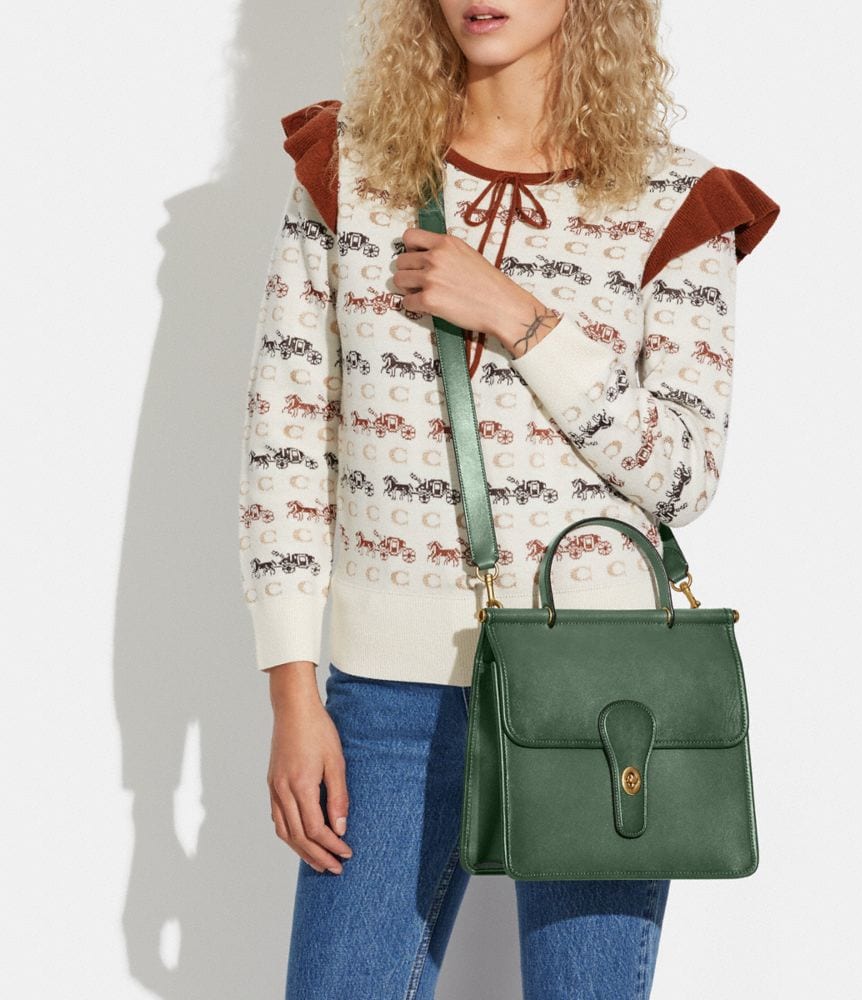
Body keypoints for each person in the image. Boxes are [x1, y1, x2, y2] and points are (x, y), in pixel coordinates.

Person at [237, 1, 780, 996]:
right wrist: (292, 695)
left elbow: (684, 473)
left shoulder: (674, 201)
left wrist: (520, 317)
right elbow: (286, 447)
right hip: (385, 697)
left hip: (602, 691)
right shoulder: (350, 175)